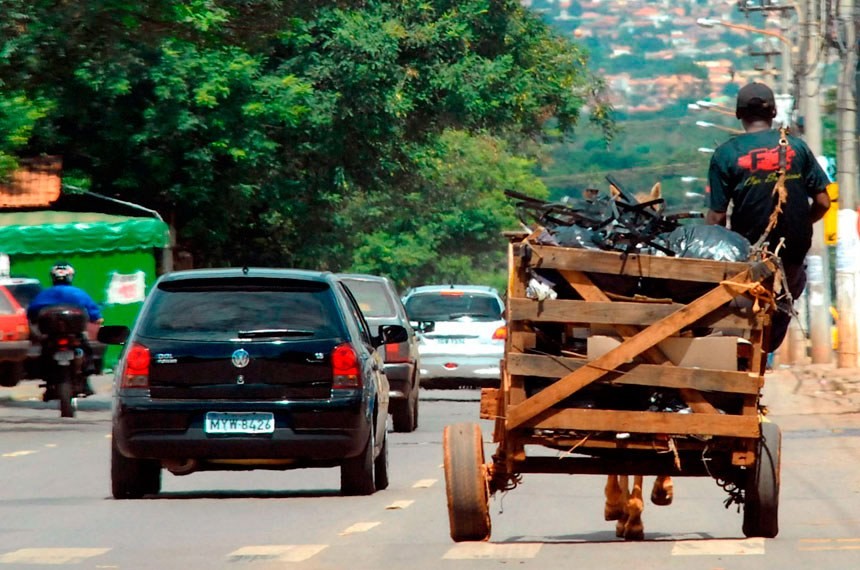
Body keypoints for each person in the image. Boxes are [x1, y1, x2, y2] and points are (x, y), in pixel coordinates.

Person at [705, 82, 831, 354]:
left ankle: (747, 357)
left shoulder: (726, 154)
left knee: (740, 309)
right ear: (774, 111)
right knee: (785, 299)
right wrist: (801, 224)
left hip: (747, 250)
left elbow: (716, 217)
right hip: (793, 250)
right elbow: (823, 202)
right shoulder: (797, 147)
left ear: (738, 114)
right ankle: (768, 344)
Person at [27, 261, 104, 396]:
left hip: (54, 338)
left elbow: (31, 312)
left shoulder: (44, 294)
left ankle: (76, 379)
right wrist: (97, 319)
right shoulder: (78, 293)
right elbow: (94, 313)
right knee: (86, 350)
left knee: (45, 352)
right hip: (69, 337)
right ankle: (85, 379)